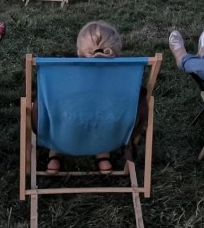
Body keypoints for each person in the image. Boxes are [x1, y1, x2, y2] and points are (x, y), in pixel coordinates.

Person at [43, 21, 147, 175]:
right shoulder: (124, 78)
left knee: (56, 111)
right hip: (112, 128)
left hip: (68, 129)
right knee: (104, 113)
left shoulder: (65, 76)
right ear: (116, 51)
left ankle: (55, 154)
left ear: (80, 52)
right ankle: (103, 154)